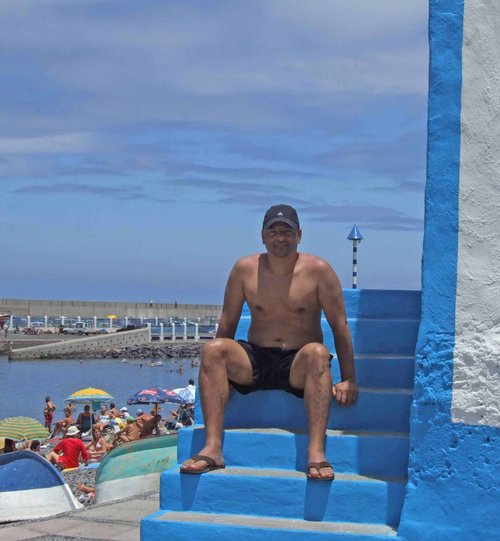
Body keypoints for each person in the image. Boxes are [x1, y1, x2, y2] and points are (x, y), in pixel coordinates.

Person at [180, 204, 358, 480]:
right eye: (273, 232)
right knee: (213, 350)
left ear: (299, 235)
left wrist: (348, 378)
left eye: (286, 232)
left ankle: (316, 452)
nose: (280, 238)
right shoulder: (244, 269)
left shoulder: (319, 271)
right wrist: (218, 374)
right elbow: (227, 323)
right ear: (262, 236)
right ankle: (213, 448)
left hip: (299, 363)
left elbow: (340, 326)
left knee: (317, 353)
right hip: (256, 360)